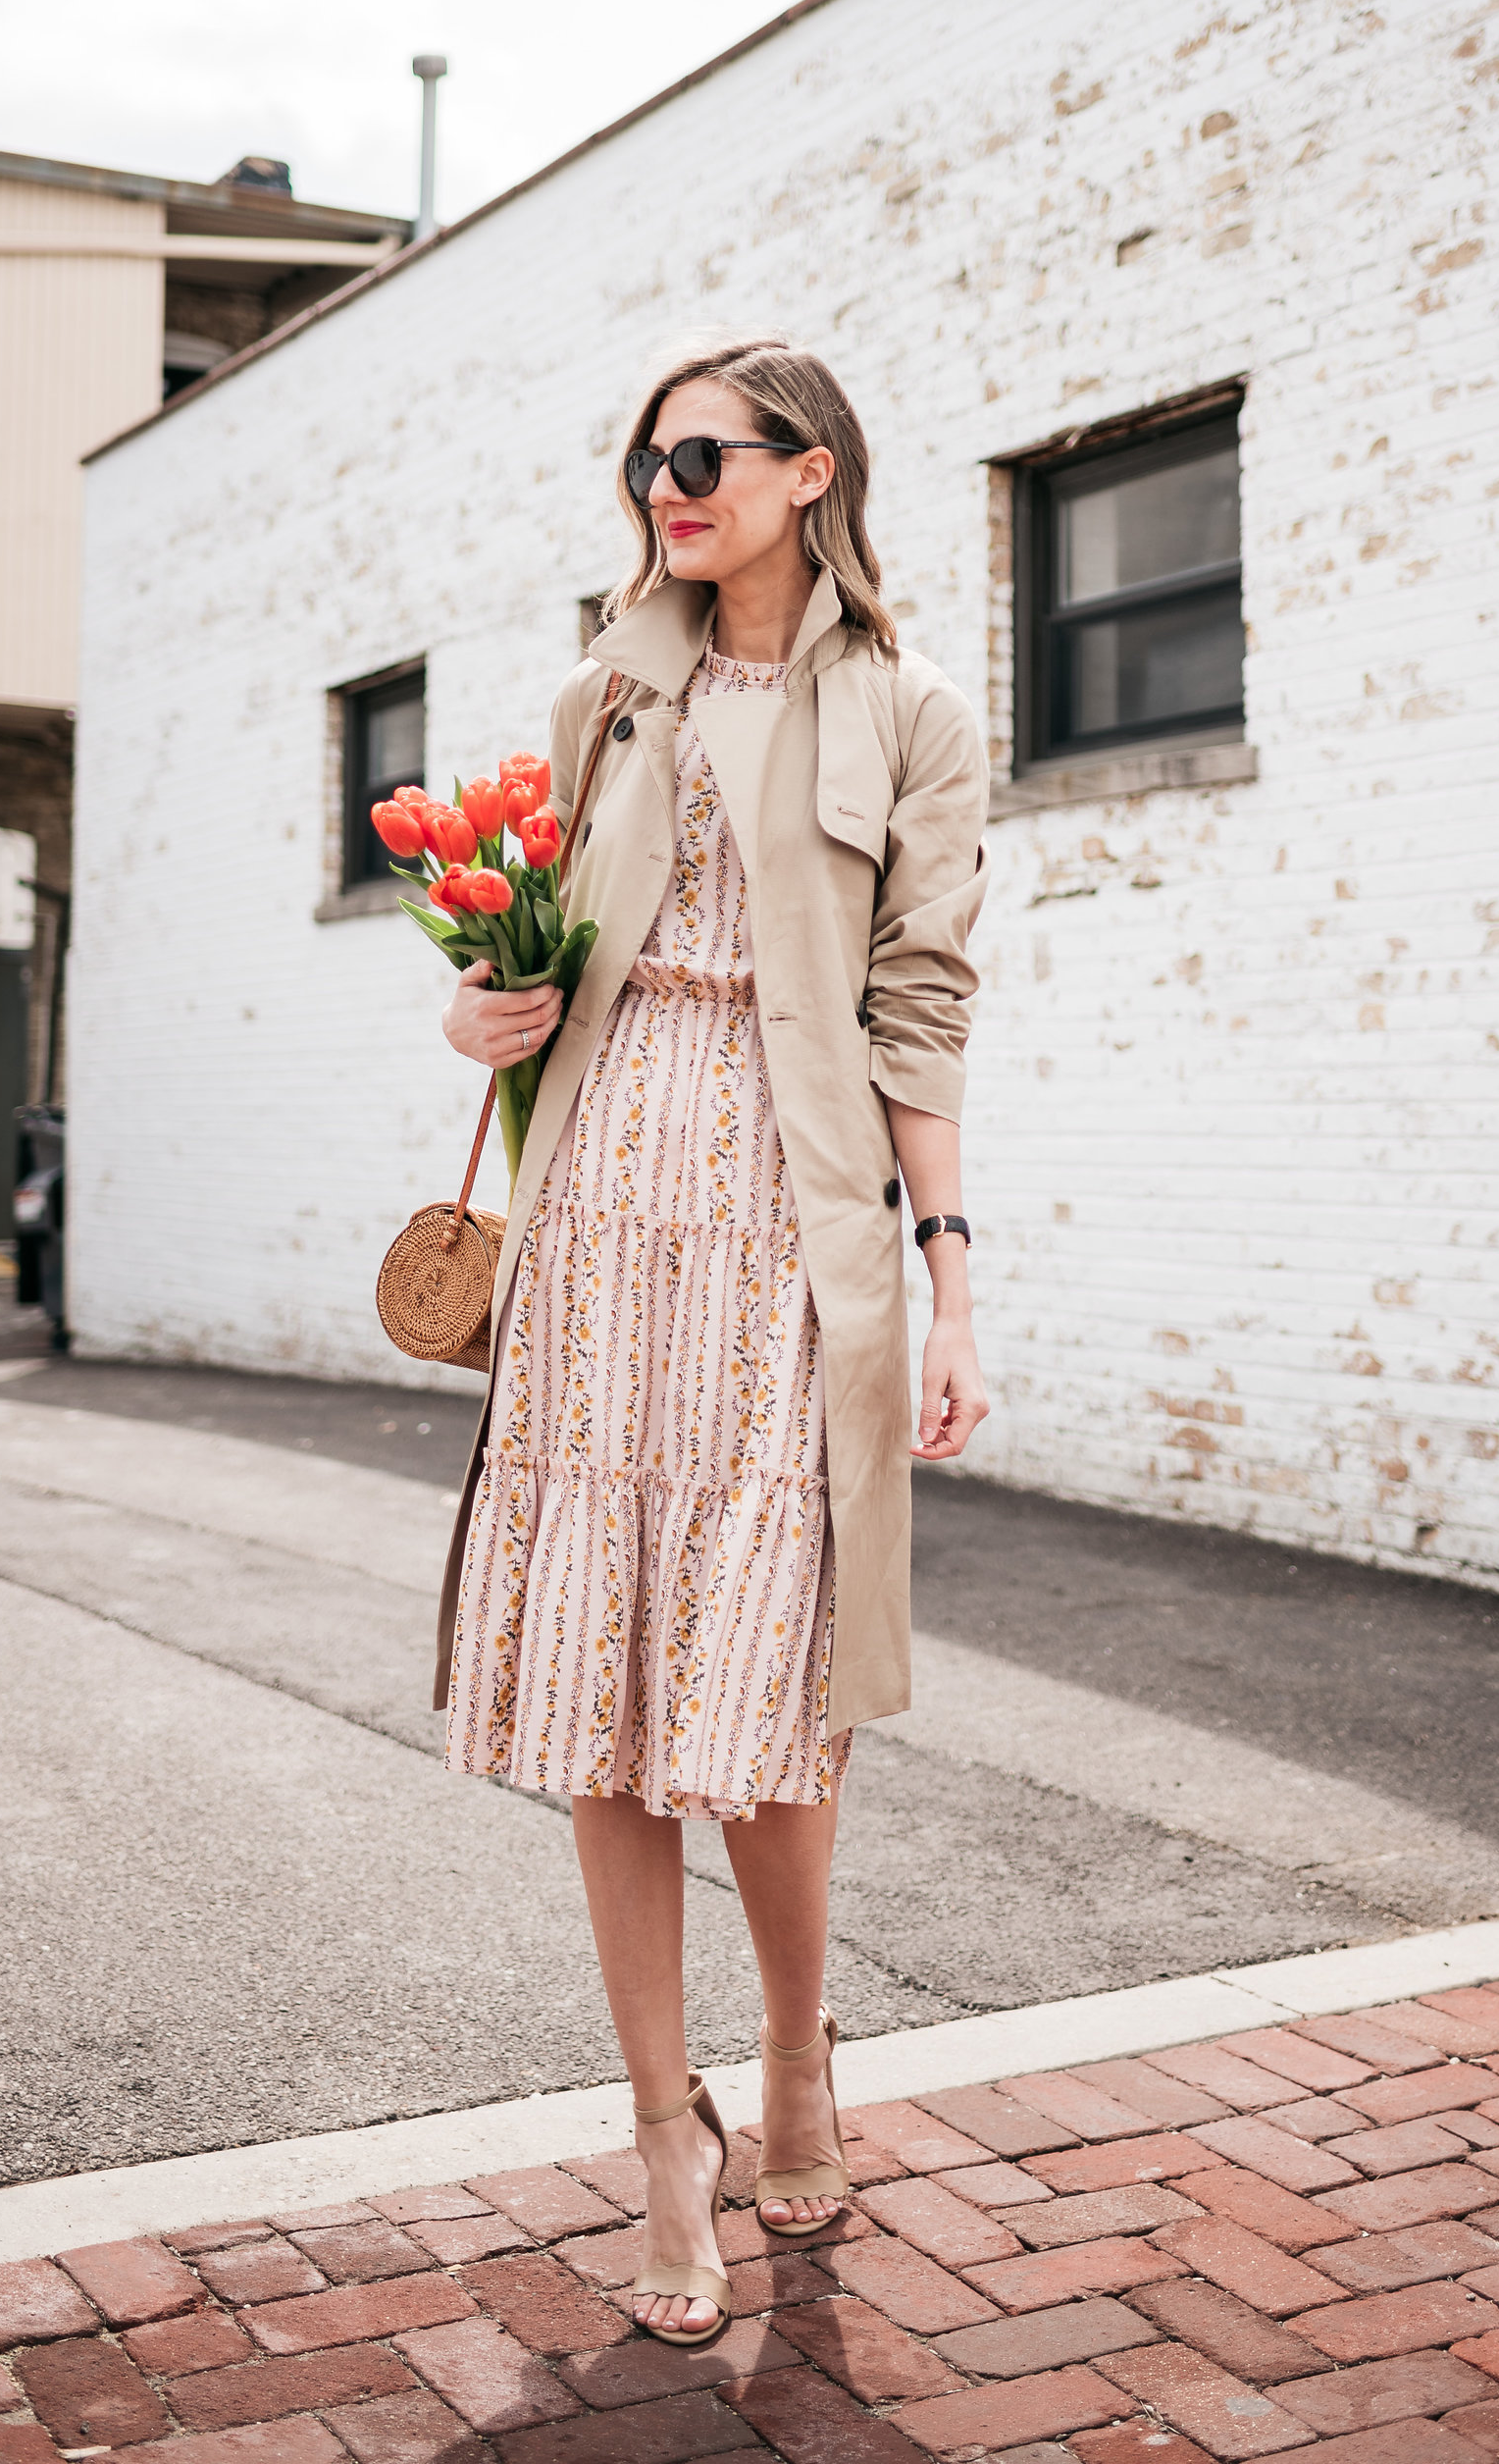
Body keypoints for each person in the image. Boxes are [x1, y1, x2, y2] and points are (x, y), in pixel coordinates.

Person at [434, 332, 989, 2343]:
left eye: (701, 455)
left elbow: (921, 999)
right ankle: (665, 2130)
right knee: (606, 1680)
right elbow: (534, 957)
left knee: (763, 1698)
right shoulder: (603, 695)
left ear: (810, 470)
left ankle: (798, 2055)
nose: (666, 488)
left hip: (786, 1222)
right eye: (646, 461)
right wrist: (481, 1013)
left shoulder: (910, 710)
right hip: (595, 1214)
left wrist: (948, 1278)